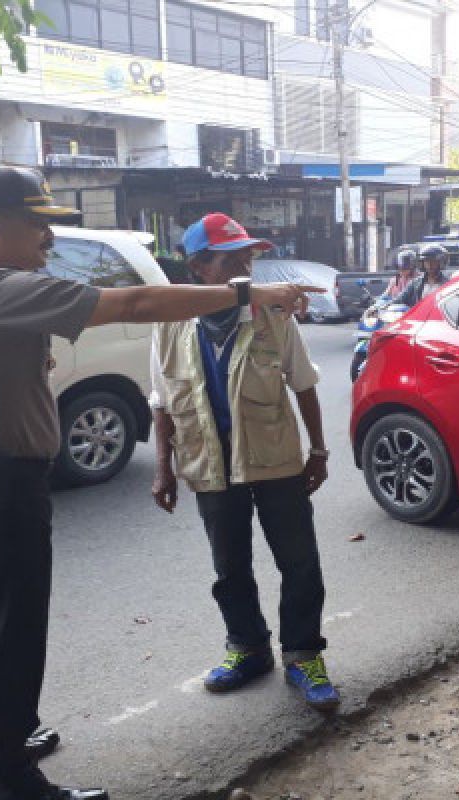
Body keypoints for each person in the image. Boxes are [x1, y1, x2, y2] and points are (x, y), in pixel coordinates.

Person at [0, 169, 318, 800]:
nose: (48, 236)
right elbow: (134, 304)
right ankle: (10, 781)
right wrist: (253, 294)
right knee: (7, 637)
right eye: (36, 222)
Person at [149, 212, 340, 712]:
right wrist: (163, 469)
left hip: (276, 461)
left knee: (299, 561)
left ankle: (302, 655)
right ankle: (248, 649)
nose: (244, 267)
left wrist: (317, 450)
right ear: (198, 266)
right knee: (229, 567)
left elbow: (304, 384)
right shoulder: (171, 323)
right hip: (208, 462)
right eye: (231, 258)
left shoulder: (272, 315)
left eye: (248, 257)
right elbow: (162, 400)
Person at [386, 243, 449, 308]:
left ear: (441, 263)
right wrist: (382, 308)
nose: (430, 265)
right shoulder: (416, 283)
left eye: (433, 262)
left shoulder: (447, 284)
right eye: (427, 262)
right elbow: (399, 299)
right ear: (422, 263)